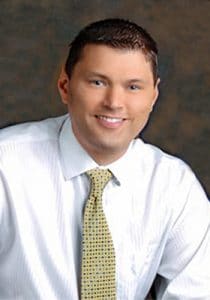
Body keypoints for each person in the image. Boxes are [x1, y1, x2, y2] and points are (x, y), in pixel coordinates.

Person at [0, 18, 209, 300]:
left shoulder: (173, 185)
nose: (114, 102)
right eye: (98, 82)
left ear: (154, 95)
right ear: (65, 86)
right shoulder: (6, 166)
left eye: (133, 87)